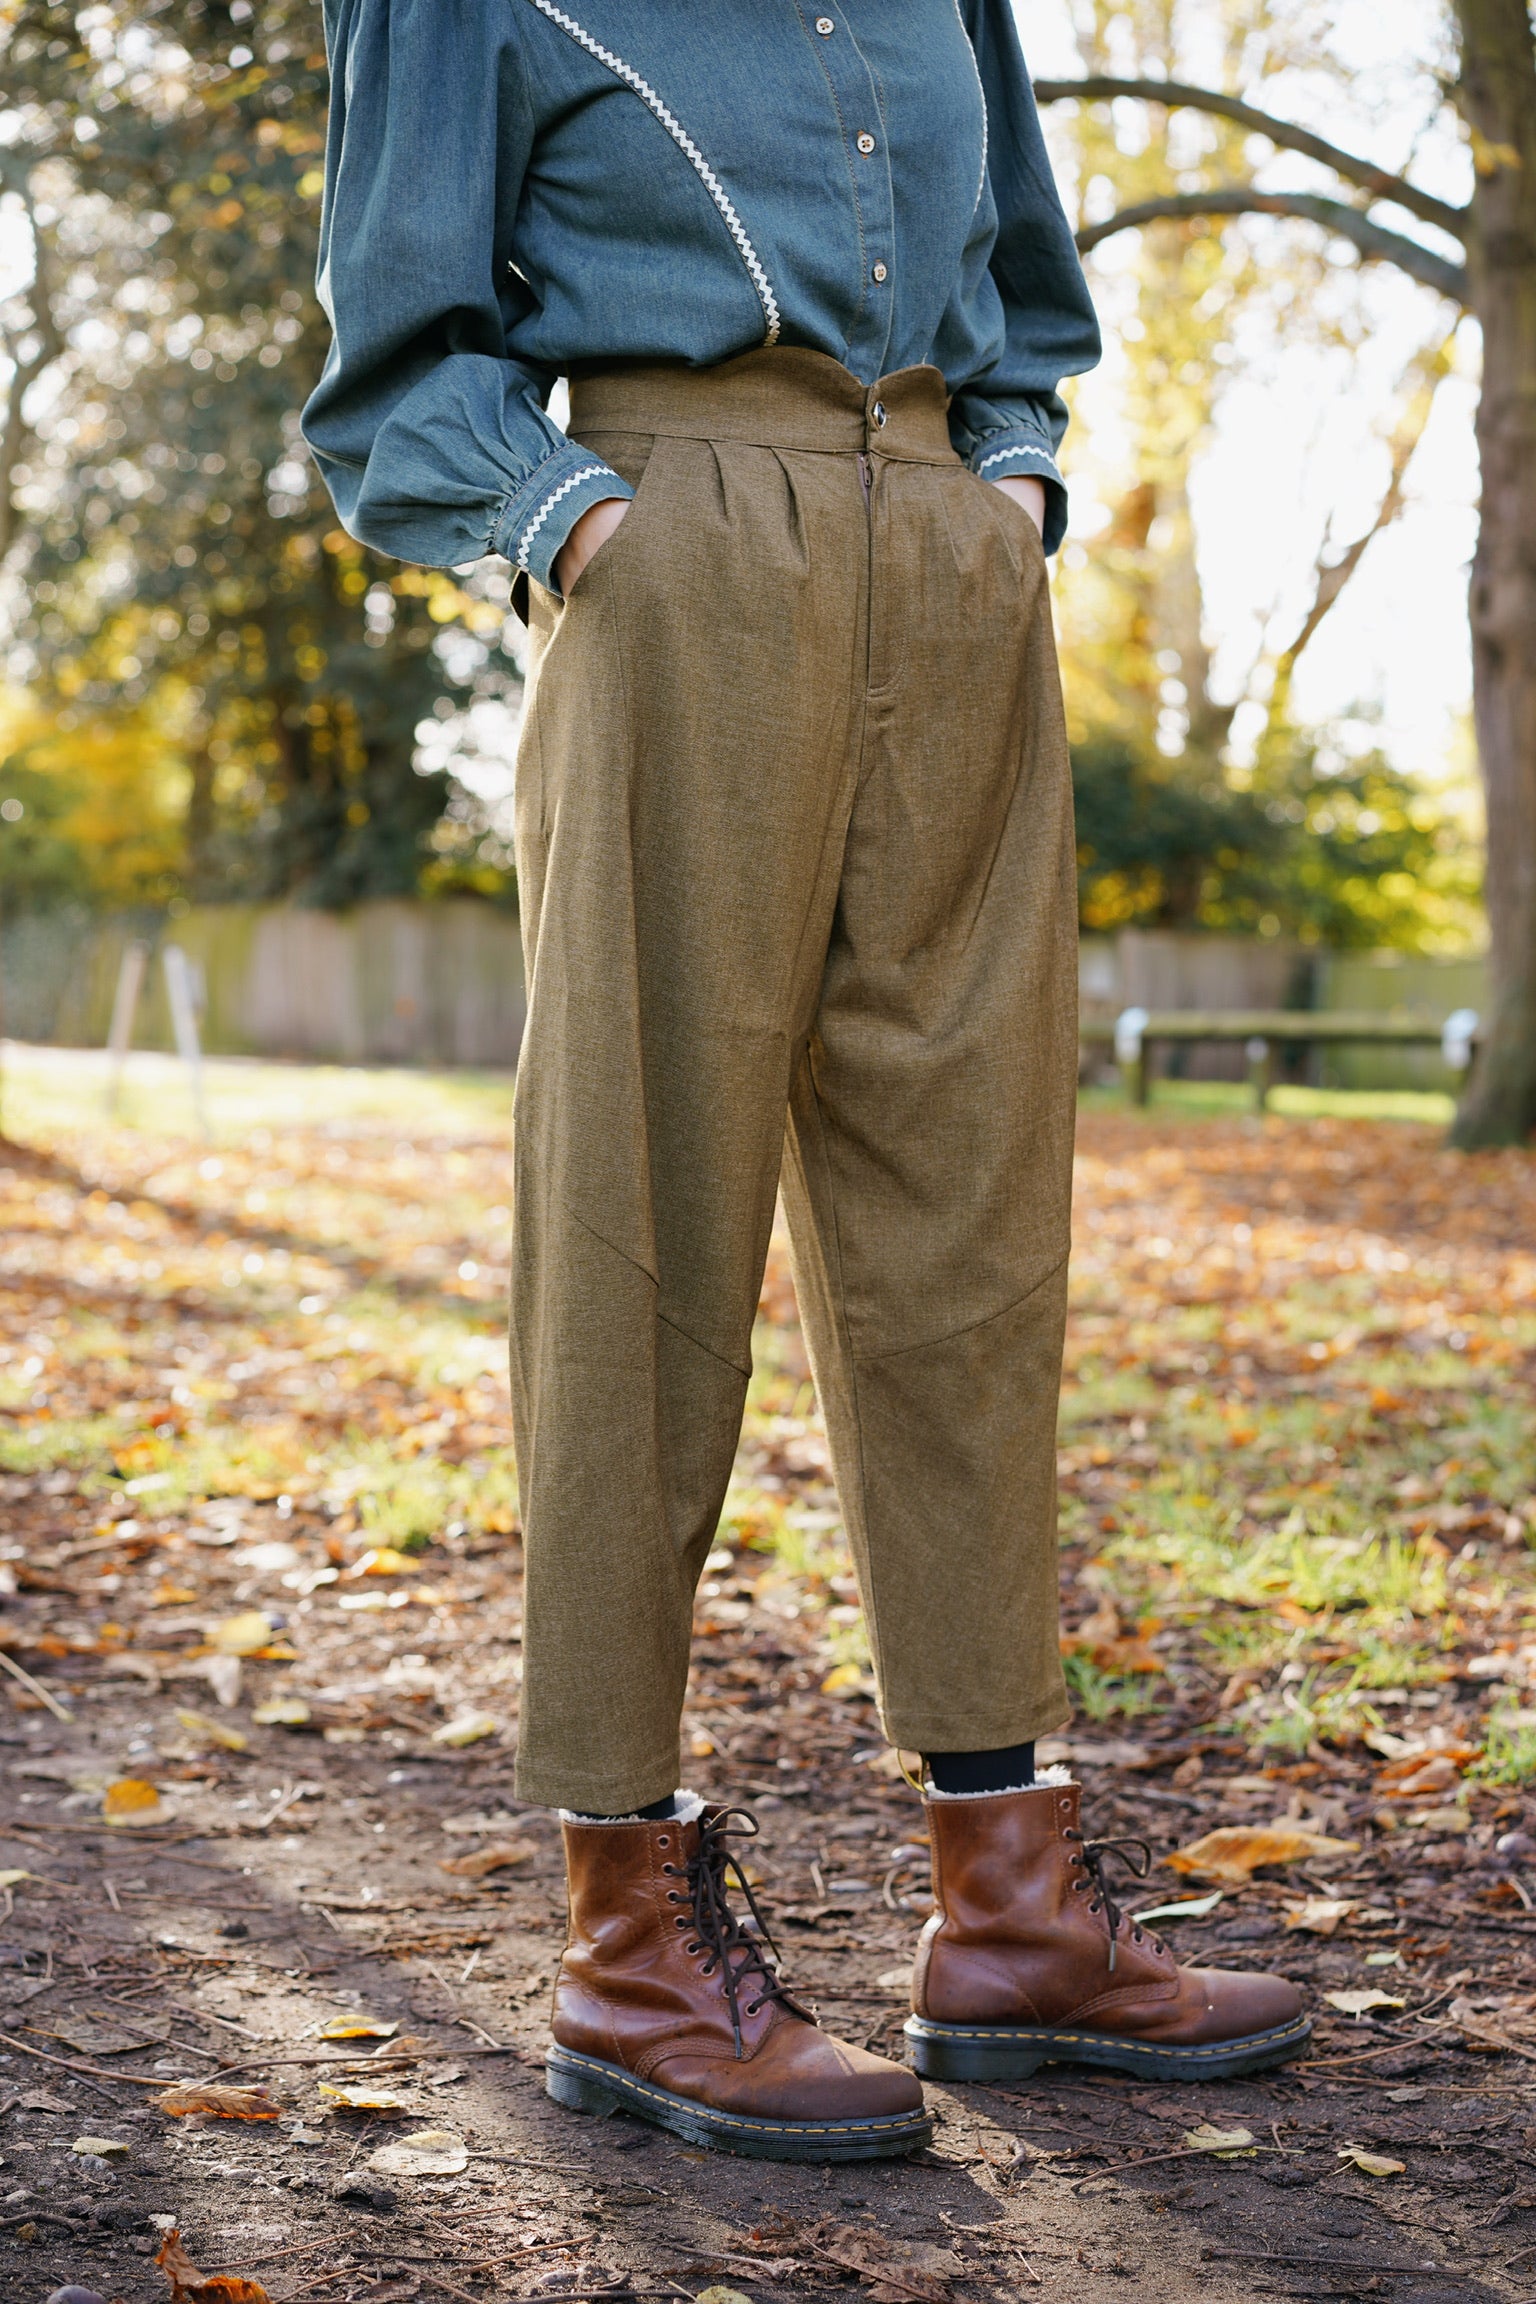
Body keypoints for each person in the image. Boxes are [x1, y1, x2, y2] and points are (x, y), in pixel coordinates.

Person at [303, 0, 1309, 2163]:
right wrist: (571, 520)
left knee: (970, 1232)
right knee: (637, 1230)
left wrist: (1010, 482)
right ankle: (627, 1939)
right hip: (675, 562)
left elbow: (1025, 284)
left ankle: (1012, 1902)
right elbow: (394, 347)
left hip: (948, 566)